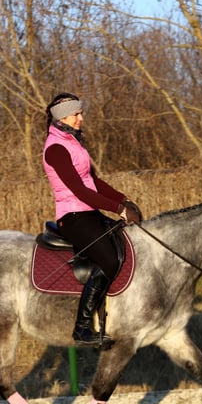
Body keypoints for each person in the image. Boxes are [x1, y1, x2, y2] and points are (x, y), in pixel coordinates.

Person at [42, 92, 142, 348]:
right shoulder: (55, 148)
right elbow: (80, 190)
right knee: (108, 258)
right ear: (62, 117)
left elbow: (94, 182)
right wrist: (118, 209)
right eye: (76, 114)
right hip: (73, 216)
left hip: (88, 212)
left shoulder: (74, 142)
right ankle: (83, 328)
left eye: (80, 113)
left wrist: (124, 199)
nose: (80, 118)